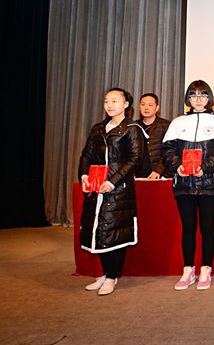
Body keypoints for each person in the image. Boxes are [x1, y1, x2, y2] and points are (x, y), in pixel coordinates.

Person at [162, 80, 214, 291]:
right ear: (188, 99)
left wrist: (206, 167)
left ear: (209, 98)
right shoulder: (178, 122)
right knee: (188, 227)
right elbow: (167, 150)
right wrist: (177, 166)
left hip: (208, 183)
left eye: (203, 95)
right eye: (193, 95)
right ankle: (188, 270)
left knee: (207, 227)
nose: (198, 100)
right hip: (183, 182)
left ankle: (206, 269)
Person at [78, 88, 144, 296]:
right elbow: (87, 155)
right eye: (107, 101)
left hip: (118, 189)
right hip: (96, 186)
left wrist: (112, 182)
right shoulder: (98, 128)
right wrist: (84, 176)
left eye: (115, 101)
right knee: (97, 229)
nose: (109, 105)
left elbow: (135, 159)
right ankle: (104, 273)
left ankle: (112, 276)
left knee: (114, 232)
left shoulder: (132, 129)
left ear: (126, 104)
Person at [135, 93, 172, 178]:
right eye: (143, 104)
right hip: (137, 174)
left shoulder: (166, 125)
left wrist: (158, 170)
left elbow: (169, 151)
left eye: (150, 105)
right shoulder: (134, 126)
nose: (146, 108)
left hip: (159, 174)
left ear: (157, 108)